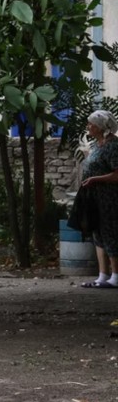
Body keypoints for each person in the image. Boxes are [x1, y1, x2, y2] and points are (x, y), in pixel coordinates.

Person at [77, 110, 118, 288]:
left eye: (91, 124)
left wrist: (96, 179)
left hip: (110, 197)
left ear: (101, 127)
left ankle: (115, 275)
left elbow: (117, 174)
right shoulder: (95, 146)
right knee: (98, 234)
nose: (88, 127)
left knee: (111, 233)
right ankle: (102, 275)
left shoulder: (113, 146)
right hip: (95, 197)